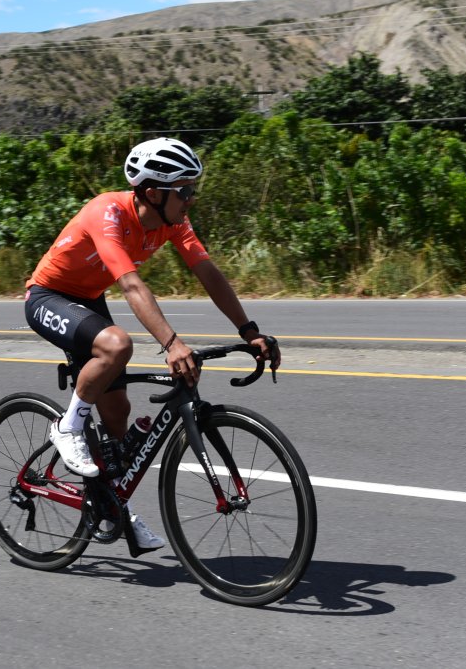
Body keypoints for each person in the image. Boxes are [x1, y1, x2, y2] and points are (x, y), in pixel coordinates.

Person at [24, 137, 277, 550]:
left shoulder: (173, 221)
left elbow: (207, 271)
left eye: (193, 189)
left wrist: (249, 331)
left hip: (88, 303)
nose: (191, 199)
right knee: (117, 344)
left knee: (118, 415)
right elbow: (130, 284)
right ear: (153, 192)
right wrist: (172, 343)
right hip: (49, 297)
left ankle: (112, 507)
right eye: (185, 191)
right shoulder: (107, 211)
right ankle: (66, 426)